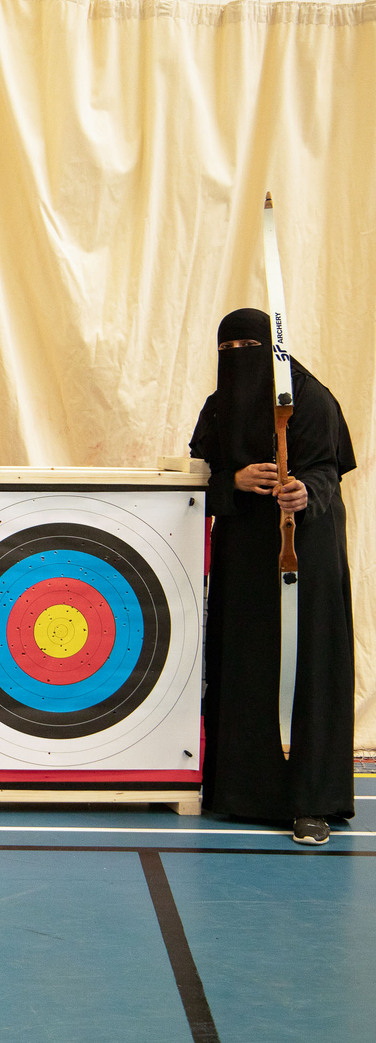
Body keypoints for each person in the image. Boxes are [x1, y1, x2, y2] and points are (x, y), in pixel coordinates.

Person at [189, 307, 356, 846]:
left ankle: (311, 799)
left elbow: (327, 468)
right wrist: (231, 480)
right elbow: (198, 473)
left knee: (304, 666)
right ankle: (238, 792)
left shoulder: (308, 397)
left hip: (303, 556)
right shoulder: (220, 406)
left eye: (249, 349)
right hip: (243, 557)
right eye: (229, 351)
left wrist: (304, 491)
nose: (240, 361)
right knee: (245, 662)